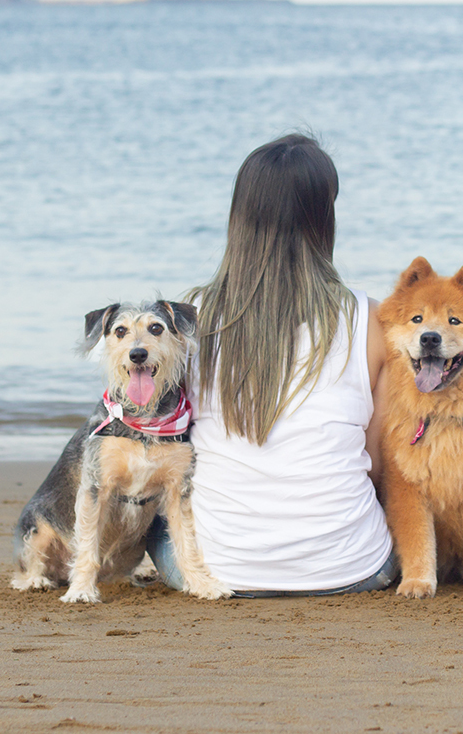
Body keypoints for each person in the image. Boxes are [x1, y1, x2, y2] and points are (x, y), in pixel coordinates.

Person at [147, 134, 394, 596]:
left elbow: (172, 447)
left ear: (238, 218)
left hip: (218, 574)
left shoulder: (188, 322)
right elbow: (377, 464)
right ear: (324, 218)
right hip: (356, 570)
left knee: (157, 520)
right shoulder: (372, 320)